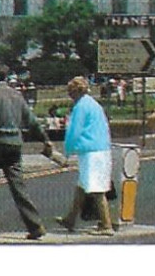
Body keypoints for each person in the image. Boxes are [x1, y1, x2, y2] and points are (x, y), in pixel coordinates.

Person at [0, 63, 52, 240]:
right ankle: (35, 225)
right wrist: (45, 139)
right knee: (18, 186)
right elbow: (31, 121)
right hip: (15, 142)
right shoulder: (17, 95)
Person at [55, 76, 114, 236]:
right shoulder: (93, 104)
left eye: (70, 92)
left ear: (75, 91)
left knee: (96, 189)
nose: (69, 95)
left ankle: (106, 225)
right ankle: (70, 219)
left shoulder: (81, 106)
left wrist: (67, 150)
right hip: (101, 149)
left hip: (91, 152)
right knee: (82, 186)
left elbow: (74, 130)